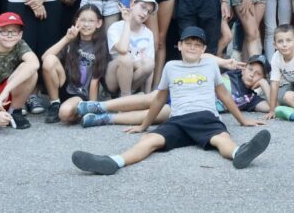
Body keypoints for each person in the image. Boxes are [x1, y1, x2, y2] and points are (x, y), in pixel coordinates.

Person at [70, 26, 270, 174]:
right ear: (180, 45)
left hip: (205, 117)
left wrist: (243, 120)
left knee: (222, 139)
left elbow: (224, 95)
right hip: (178, 119)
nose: (192, 47)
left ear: (204, 49)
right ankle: (114, 161)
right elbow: (159, 99)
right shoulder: (171, 67)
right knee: (150, 140)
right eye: (188, 43)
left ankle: (239, 153)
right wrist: (144, 125)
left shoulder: (210, 66)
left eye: (197, 45)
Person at [42, 4, 108, 124]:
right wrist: (67, 39)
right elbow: (45, 58)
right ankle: (55, 104)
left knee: (64, 114)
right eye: (83, 20)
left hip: (80, 94)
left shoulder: (101, 45)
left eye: (91, 21)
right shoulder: (70, 40)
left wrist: (91, 108)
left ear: (98, 23)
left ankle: (76, 111)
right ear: (77, 21)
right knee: (49, 60)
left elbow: (95, 80)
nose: (86, 24)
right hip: (64, 85)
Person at [105, 0, 157, 97]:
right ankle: (126, 97)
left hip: (134, 80)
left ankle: (127, 95)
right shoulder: (115, 27)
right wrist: (127, 22)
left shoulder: (148, 33)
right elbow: (123, 49)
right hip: (113, 78)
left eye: (149, 12)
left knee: (149, 62)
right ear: (132, 5)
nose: (145, 13)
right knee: (125, 59)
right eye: (143, 7)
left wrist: (148, 95)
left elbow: (150, 68)